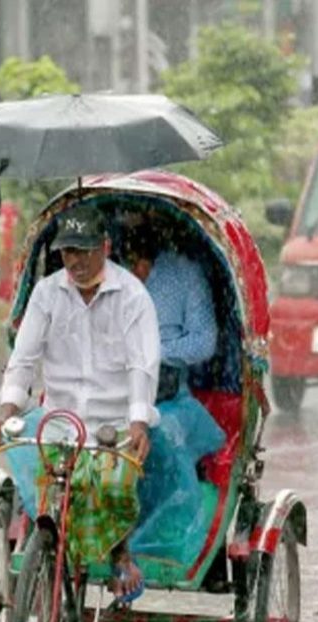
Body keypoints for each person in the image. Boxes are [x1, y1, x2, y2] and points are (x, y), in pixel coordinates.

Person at [0, 203, 159, 598]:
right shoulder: (47, 294)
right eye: (68, 253)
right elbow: (23, 360)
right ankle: (45, 550)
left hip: (113, 424)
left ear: (106, 246)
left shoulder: (133, 297)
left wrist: (138, 422)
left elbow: (142, 367)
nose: (76, 262)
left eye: (84, 251)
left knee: (114, 485)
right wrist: (6, 413)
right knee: (41, 484)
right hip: (59, 420)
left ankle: (118, 552)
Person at [122, 220, 226, 566]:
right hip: (107, 393)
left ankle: (162, 541)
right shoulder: (97, 280)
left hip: (167, 399)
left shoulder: (184, 276)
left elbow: (203, 341)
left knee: (162, 439)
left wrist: (153, 353)